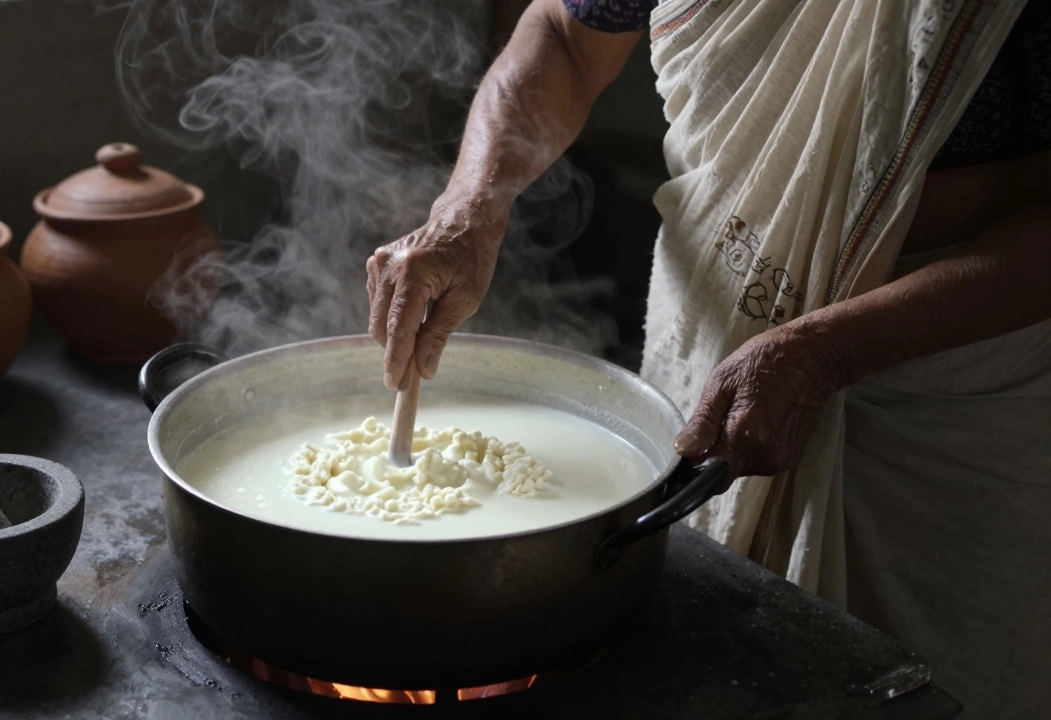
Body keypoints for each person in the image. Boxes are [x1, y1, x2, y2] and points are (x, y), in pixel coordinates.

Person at [365, 0, 1051, 717]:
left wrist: (827, 353)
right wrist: (468, 210)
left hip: (947, 412)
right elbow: (568, 39)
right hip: (716, 343)